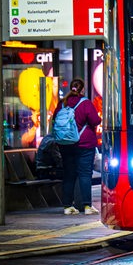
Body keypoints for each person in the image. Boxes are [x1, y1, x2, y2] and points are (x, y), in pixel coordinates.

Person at [51, 78, 102, 215]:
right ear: (82, 89)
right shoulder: (85, 103)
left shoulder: (62, 104)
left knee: (69, 174)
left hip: (65, 144)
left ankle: (67, 206)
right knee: (85, 174)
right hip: (84, 144)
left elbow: (54, 119)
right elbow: (95, 120)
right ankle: (87, 206)